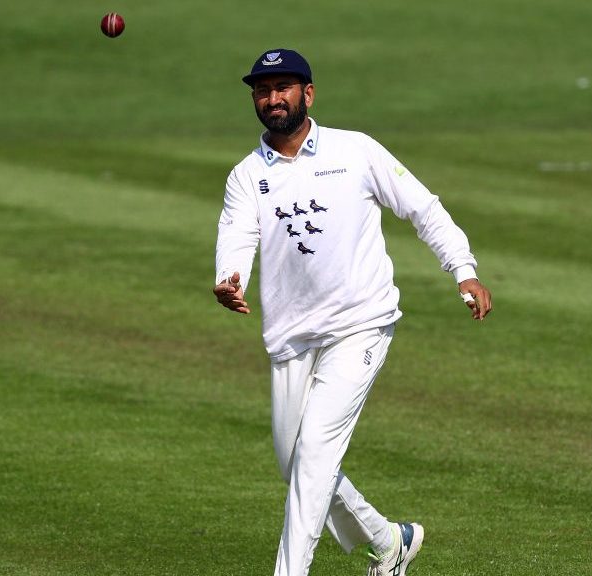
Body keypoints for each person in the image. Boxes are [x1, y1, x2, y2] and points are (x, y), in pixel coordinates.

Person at [212, 48, 492, 576]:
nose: (272, 99)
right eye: (263, 91)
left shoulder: (355, 150)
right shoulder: (246, 175)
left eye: (283, 88)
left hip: (361, 324)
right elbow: (237, 235)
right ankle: (389, 542)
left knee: (315, 457)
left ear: (308, 94)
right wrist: (230, 278)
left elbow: (422, 207)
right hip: (291, 335)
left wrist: (463, 268)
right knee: (296, 464)